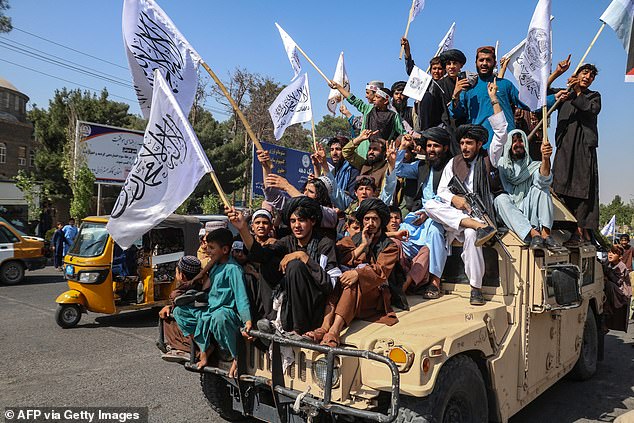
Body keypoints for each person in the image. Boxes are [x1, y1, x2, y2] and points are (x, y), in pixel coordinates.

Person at [425, 80, 507, 305]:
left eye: (469, 143)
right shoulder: (454, 162)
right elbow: (442, 191)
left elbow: (501, 132)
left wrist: (494, 100)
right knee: (430, 205)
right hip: (457, 216)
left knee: (472, 235)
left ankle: (475, 288)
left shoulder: (489, 158)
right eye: (462, 143)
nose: (465, 147)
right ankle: (475, 226)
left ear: (479, 144)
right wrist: (456, 199)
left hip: (480, 215)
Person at [228, 197, 340, 337]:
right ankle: (272, 320)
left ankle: (298, 329)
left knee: (295, 266)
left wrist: (303, 257)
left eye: (302, 220)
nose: (297, 226)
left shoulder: (325, 244)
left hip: (314, 308)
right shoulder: (287, 241)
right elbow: (261, 255)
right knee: (268, 263)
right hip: (289, 304)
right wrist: (242, 228)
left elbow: (331, 285)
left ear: (313, 221)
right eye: (293, 221)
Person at [305, 199, 403, 347]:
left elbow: (381, 271)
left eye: (374, 219)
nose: (370, 223)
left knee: (353, 280)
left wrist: (358, 274)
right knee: (338, 278)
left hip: (373, 296)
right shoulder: (353, 239)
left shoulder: (389, 246)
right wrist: (363, 245)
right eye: (367, 219)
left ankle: (334, 331)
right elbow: (338, 256)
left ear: (381, 221)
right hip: (347, 291)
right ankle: (324, 327)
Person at [172, 229, 253, 377]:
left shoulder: (233, 269)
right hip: (211, 309)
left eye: (211, 248)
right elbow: (208, 269)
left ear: (225, 249)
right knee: (179, 311)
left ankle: (236, 356)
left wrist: (247, 320)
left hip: (226, 312)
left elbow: (241, 297)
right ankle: (205, 347)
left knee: (219, 317)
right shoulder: (215, 265)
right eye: (207, 247)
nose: (207, 251)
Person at [394, 127, 453, 298]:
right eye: (429, 146)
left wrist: (429, 213)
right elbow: (398, 170)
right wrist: (402, 148)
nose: (431, 150)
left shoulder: (452, 166)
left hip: (442, 214)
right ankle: (403, 277)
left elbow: (452, 196)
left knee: (434, 234)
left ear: (446, 148)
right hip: (420, 213)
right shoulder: (422, 166)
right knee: (400, 234)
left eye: (436, 146)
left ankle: (434, 282)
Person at [551, 64, 601, 244]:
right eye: (584, 73)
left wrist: (578, 91)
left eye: (591, 75)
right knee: (559, 184)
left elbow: (591, 110)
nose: (587, 77)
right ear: (576, 74)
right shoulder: (564, 94)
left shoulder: (593, 96)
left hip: (583, 149)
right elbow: (542, 91)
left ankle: (580, 231)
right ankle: (563, 227)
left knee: (582, 187)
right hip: (564, 147)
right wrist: (558, 73)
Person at [450, 46, 527, 148]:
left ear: (494, 63)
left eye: (488, 60)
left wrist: (553, 98)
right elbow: (456, 114)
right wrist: (455, 96)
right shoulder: (468, 88)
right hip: (481, 145)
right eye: (481, 60)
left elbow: (526, 102)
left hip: (506, 144)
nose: (484, 63)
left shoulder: (505, 84)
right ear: (476, 63)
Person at [494, 129, 561, 249]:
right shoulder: (501, 164)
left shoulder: (532, 166)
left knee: (543, 189)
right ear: (509, 144)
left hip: (527, 207)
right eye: (514, 141)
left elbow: (543, 180)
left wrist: (545, 158)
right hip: (509, 211)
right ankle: (534, 234)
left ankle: (545, 235)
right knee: (500, 199)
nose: (518, 144)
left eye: (521, 141)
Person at [330, 81, 405, 158]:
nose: (374, 99)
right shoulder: (368, 109)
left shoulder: (393, 115)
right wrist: (338, 87)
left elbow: (402, 133)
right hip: (362, 154)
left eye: (377, 97)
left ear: (385, 101)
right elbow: (353, 99)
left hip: (381, 157)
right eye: (374, 96)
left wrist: (393, 146)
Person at [158, 255, 203, 363]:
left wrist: (170, 307)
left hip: (194, 330)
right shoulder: (202, 286)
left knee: (169, 317)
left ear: (181, 275)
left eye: (176, 272)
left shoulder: (178, 294)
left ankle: (184, 348)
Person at [602, 245, 631, 332]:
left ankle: (607, 311)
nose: (610, 255)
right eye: (610, 252)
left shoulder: (621, 266)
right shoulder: (608, 262)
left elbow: (618, 282)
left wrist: (608, 274)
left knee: (608, 284)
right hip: (613, 289)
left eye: (614, 253)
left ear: (620, 257)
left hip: (620, 292)